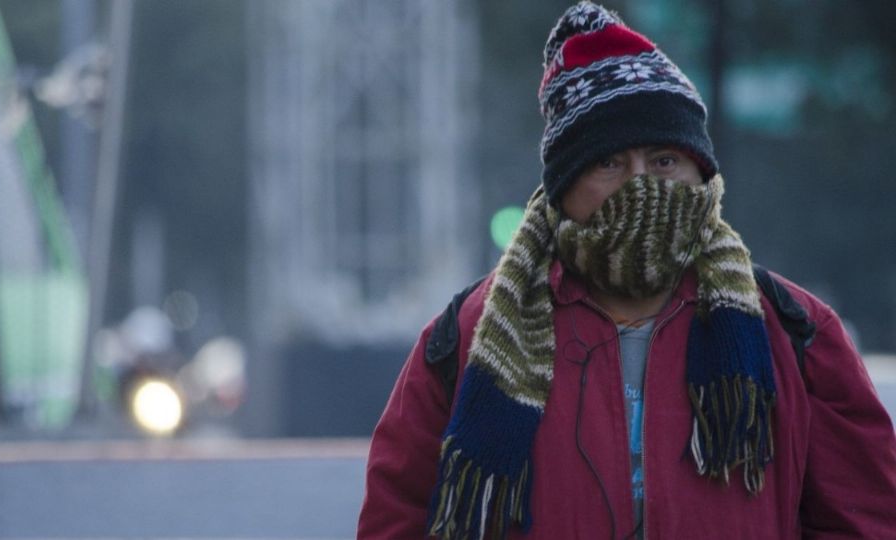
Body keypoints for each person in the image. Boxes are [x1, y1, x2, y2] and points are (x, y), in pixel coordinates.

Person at [357, 2, 896, 539]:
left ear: (700, 173)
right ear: (563, 187)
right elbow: (395, 519)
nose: (641, 186)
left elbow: (865, 521)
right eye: (609, 163)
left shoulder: (794, 333)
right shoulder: (465, 339)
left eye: (664, 161)